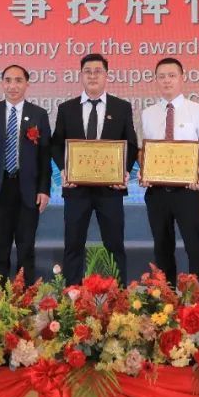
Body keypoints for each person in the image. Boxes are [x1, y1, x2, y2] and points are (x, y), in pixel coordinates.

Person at [51, 53, 138, 284]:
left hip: (110, 189)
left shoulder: (121, 107)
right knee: (73, 245)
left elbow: (131, 144)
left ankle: (119, 296)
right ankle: (71, 295)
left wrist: (124, 171)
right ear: (81, 75)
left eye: (98, 71)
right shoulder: (66, 108)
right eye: (87, 71)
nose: (92, 76)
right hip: (76, 189)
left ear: (106, 75)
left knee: (115, 245)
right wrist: (64, 170)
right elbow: (56, 144)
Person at [139, 57, 199, 288]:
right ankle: (165, 296)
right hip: (157, 192)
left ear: (182, 78)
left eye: (172, 76)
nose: (167, 81)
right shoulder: (147, 113)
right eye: (161, 76)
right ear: (156, 80)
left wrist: (198, 172)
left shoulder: (198, 110)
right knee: (162, 246)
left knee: (194, 246)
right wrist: (143, 172)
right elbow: (144, 150)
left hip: (188, 191)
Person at [0, 64, 52, 281]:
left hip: (28, 189)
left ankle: (26, 294)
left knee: (26, 247)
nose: (13, 86)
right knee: (0, 247)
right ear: (2, 83)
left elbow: (44, 155)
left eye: (18, 80)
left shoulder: (38, 114)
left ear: (27, 84)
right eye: (8, 80)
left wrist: (44, 189)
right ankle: (0, 296)